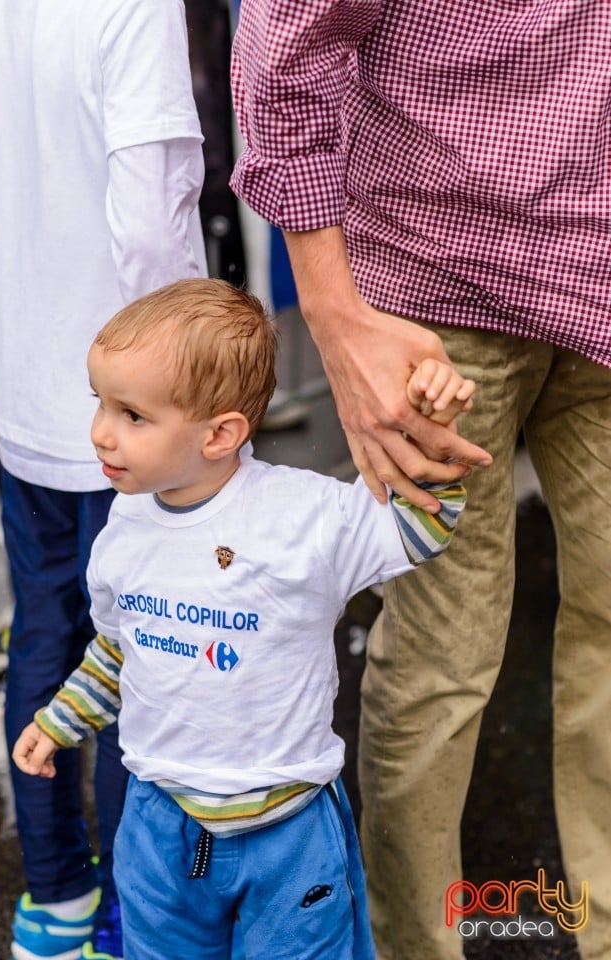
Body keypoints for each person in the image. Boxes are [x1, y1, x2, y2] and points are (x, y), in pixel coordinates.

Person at [229, 3, 611, 959]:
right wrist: (328, 308)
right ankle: (412, 949)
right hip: (436, 295)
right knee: (442, 657)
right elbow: (285, 44)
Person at [11, 277, 472, 960]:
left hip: (286, 833)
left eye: (132, 415)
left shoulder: (303, 518)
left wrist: (426, 426)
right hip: (158, 824)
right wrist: (59, 722)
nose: (101, 432)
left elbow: (420, 529)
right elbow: (117, 652)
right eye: (99, 403)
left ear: (221, 432)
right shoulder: (123, 526)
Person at [0, 2, 206, 958]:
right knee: (140, 663)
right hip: (133, 405)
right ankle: (125, 919)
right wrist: (196, 378)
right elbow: (150, 222)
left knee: (47, 635)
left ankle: (56, 900)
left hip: (29, 386)